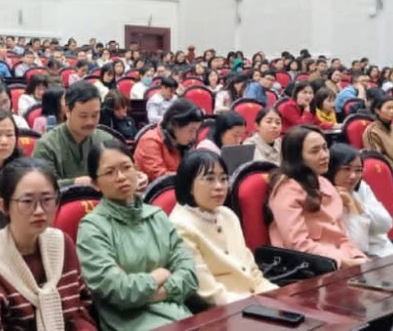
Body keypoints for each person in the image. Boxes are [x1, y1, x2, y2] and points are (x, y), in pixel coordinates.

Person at [0, 157, 96, 330]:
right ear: (4, 206)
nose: (39, 211)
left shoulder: (61, 244)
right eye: (27, 202)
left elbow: (80, 310)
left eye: (47, 200)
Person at [77, 141, 198, 330]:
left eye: (126, 167)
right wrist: (160, 275)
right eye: (110, 172)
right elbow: (120, 291)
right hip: (130, 324)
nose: (121, 177)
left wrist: (158, 292)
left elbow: (189, 274)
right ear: (95, 183)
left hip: (180, 316)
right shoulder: (92, 228)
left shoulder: (157, 216)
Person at [169, 150, 277, 305]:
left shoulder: (227, 215)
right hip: (224, 312)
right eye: (210, 179)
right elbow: (209, 294)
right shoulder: (180, 226)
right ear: (188, 185)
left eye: (223, 179)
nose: (219, 186)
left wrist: (278, 298)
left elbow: (252, 273)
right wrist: (258, 306)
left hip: (254, 300)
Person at [267, 125, 368, 268]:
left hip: (344, 261)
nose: (324, 155)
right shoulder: (286, 190)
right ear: (297, 157)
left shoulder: (324, 183)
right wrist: (342, 262)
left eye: (325, 148)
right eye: (315, 151)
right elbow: (298, 244)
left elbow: (342, 236)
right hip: (313, 267)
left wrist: (356, 255)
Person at [31, 81, 116, 188]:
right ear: (67, 111)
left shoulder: (106, 140)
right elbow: (41, 185)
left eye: (95, 115)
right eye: (83, 116)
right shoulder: (47, 145)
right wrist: (74, 183)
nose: (90, 122)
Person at [325, 144, 393, 258]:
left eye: (358, 170)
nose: (353, 176)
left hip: (386, 251)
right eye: (346, 169)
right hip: (360, 260)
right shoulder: (325, 195)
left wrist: (357, 204)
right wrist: (351, 207)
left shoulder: (361, 187)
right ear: (332, 169)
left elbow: (386, 224)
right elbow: (358, 246)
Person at [135, 98, 205, 182]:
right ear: (174, 124)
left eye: (196, 131)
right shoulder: (150, 141)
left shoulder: (185, 143)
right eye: (191, 130)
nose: (194, 136)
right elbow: (161, 179)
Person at [363, 95, 393, 189]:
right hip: (387, 171)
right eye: (388, 108)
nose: (392, 111)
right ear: (377, 111)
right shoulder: (372, 131)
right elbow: (378, 158)